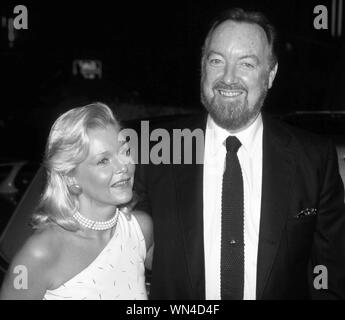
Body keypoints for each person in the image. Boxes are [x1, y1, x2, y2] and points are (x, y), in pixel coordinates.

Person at [133, 8, 345, 299]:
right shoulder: (160, 148)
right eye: (217, 61)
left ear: (270, 74)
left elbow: (330, 273)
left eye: (246, 64)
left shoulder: (313, 158)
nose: (228, 78)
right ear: (203, 67)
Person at [0, 103, 153, 300]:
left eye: (124, 152)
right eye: (103, 160)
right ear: (71, 177)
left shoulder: (140, 230)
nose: (123, 166)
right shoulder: (41, 252)